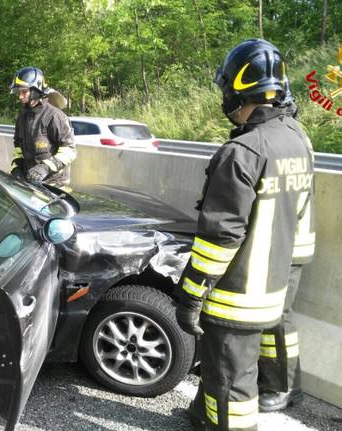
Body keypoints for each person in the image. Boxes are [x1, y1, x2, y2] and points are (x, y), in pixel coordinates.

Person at [174, 39, 315, 431]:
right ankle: (203, 413)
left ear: (239, 91)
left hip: (236, 296)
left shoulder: (241, 153)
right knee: (223, 371)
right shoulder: (296, 139)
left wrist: (191, 292)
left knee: (231, 382)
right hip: (273, 284)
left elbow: (220, 237)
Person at [257, 90, 315, 413]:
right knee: (274, 317)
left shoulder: (290, 137)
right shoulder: (294, 133)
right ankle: (278, 381)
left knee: (278, 319)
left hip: (290, 242)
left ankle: (284, 387)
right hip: (285, 240)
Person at [9, 66, 76, 187]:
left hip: (55, 186)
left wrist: (45, 167)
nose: (20, 96)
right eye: (19, 92)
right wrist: (17, 167)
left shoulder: (55, 116)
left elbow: (70, 151)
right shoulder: (22, 118)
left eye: (24, 92)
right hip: (31, 184)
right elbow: (18, 148)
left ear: (35, 91)